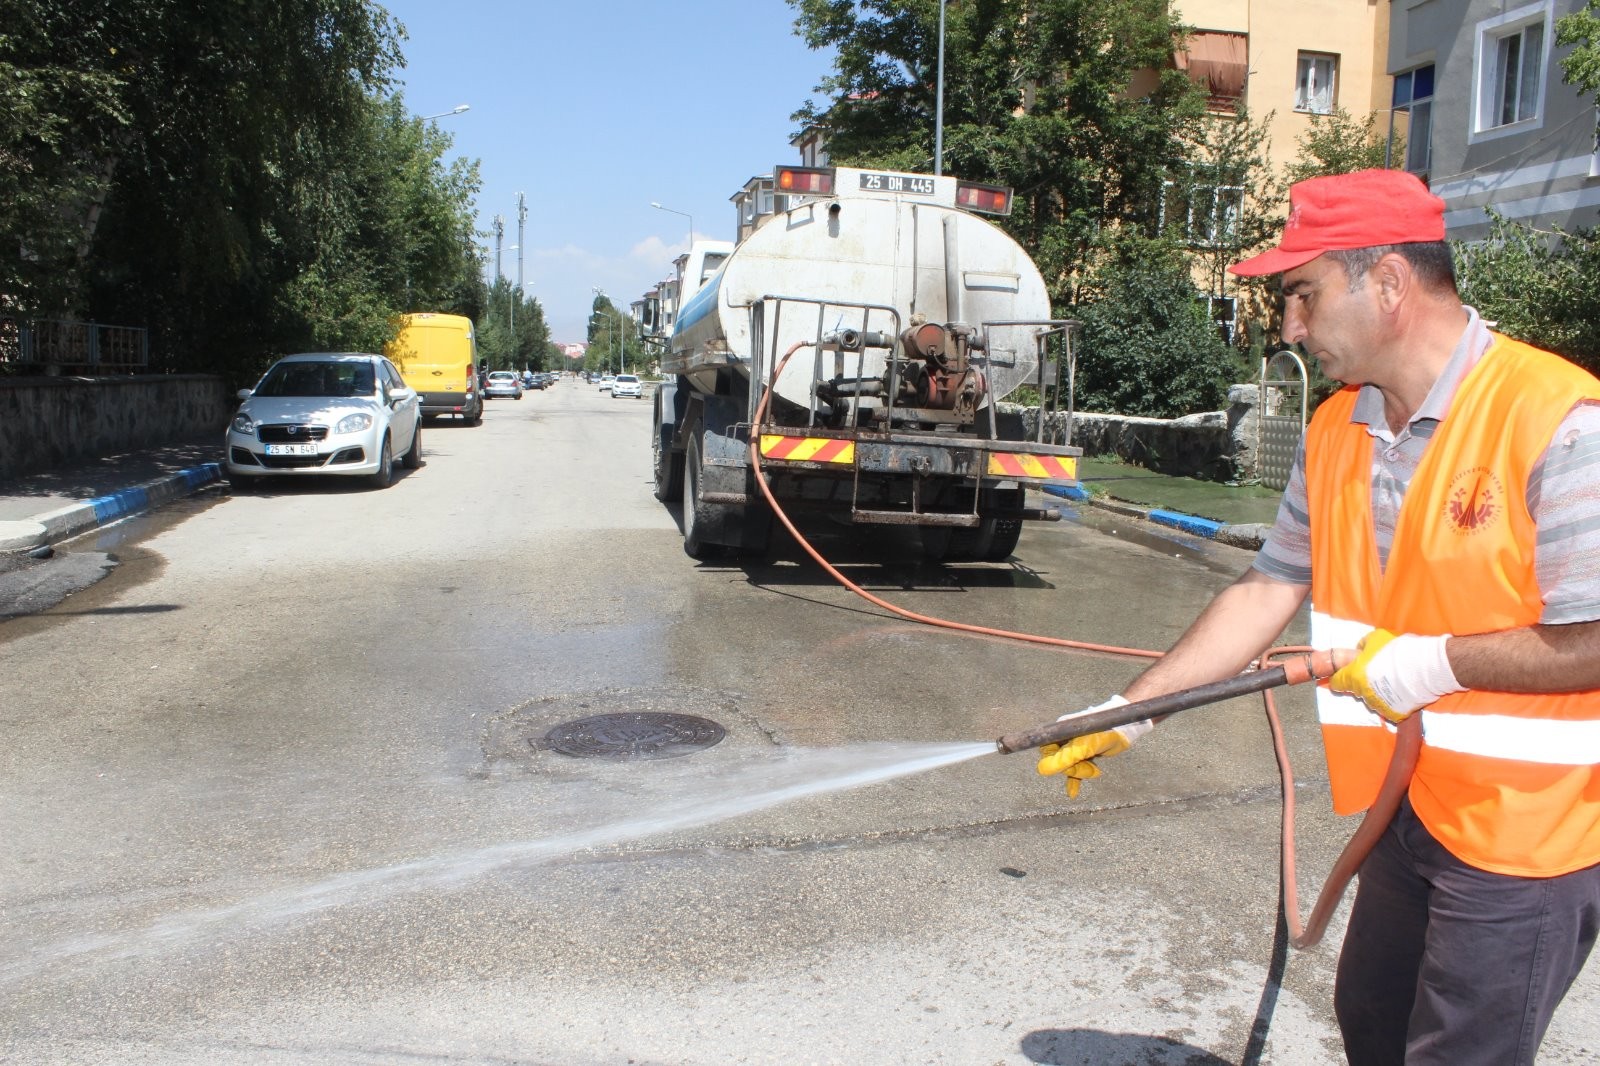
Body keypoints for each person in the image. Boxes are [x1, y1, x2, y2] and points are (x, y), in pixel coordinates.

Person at [1036, 168, 1600, 1065]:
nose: (1290, 327)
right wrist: (1133, 710)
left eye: (1303, 295)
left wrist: (1437, 664)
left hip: (1527, 834)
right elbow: (1266, 589)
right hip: (1406, 804)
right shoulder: (1337, 430)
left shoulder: (1558, 421)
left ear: (1388, 283)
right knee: (1372, 1025)